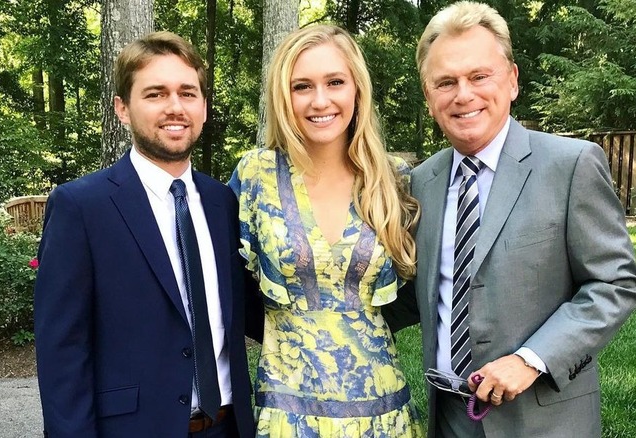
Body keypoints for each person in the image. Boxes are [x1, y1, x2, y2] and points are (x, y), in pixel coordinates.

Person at [382, 2, 636, 437]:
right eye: (445, 82)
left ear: (512, 80)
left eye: (479, 76)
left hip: (544, 421)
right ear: (429, 98)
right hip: (448, 418)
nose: (463, 94)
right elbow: (423, 292)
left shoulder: (570, 165)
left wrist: (531, 359)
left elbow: (615, 284)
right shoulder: (421, 182)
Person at [34, 31, 262, 438]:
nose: (175, 107)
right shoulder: (81, 207)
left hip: (229, 427)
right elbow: (62, 351)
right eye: (156, 94)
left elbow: (245, 311)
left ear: (204, 107)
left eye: (187, 93)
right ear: (123, 109)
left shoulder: (222, 201)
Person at [228, 24, 422, 437]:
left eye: (335, 82)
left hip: (381, 411)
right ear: (284, 96)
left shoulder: (393, 178)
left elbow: (420, 292)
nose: (320, 100)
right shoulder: (255, 175)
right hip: (286, 409)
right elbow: (229, 287)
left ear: (357, 89)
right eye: (302, 86)